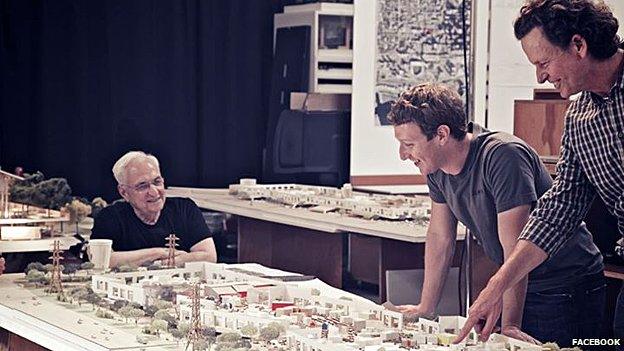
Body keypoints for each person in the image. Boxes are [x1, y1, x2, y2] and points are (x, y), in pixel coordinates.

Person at [455, 0, 624, 347]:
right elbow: (557, 210)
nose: (540, 76)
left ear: (579, 45)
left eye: (544, 62)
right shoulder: (579, 118)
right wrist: (498, 284)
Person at [389, 83, 604, 346]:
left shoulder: (502, 156)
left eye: (408, 144)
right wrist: (426, 308)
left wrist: (511, 324)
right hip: (515, 284)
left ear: (442, 135)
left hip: (564, 285)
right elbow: (440, 237)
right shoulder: (436, 169)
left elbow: (514, 246)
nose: (402, 155)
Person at [91, 151, 217, 268]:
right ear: (124, 193)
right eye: (142, 186)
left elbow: (209, 256)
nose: (154, 192)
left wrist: (157, 262)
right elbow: (100, 260)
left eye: (157, 182)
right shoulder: (109, 217)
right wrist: (159, 253)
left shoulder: (185, 208)